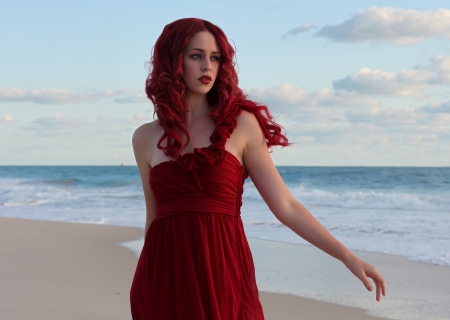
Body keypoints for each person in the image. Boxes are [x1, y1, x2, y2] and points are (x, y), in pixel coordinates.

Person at [130, 18, 386, 320]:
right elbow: (154, 217)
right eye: (196, 55)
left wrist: (347, 257)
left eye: (215, 58)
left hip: (222, 272)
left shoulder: (240, 126)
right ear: (173, 61)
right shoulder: (145, 137)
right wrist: (148, 280)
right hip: (164, 278)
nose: (207, 66)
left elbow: (286, 206)